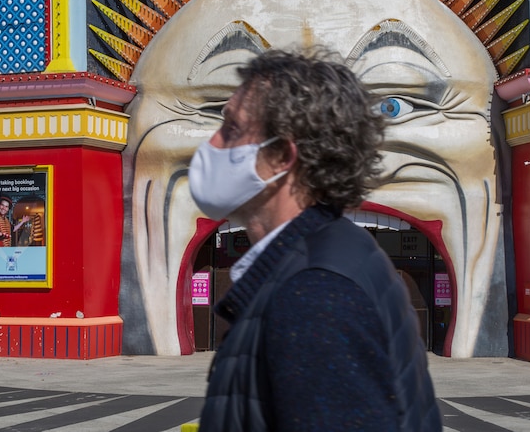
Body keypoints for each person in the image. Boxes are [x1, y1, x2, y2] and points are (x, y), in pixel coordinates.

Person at [189, 50, 441, 431]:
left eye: (231, 128)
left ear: (282, 157)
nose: (212, 143)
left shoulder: (315, 293)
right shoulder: (326, 259)